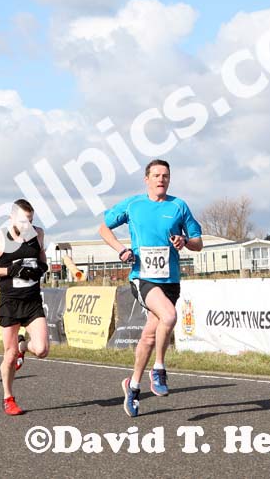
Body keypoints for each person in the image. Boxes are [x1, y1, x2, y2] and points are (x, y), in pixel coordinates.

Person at [98, 159, 203, 417]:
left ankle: (133, 386)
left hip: (170, 280)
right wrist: (121, 249)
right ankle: (158, 369)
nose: (161, 179)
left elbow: (198, 242)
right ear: (147, 179)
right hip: (142, 277)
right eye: (156, 175)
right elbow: (103, 228)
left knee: (148, 336)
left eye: (165, 175)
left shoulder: (179, 206)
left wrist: (184, 241)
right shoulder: (134, 205)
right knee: (169, 316)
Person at [0, 199, 50, 415]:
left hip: (32, 301)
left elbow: (42, 260)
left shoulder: (38, 233)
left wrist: (40, 268)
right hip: (10, 301)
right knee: (9, 355)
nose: (26, 226)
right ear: (11, 218)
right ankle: (8, 398)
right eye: (22, 221)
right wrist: (11, 270)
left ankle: (24, 348)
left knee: (42, 350)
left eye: (30, 221)